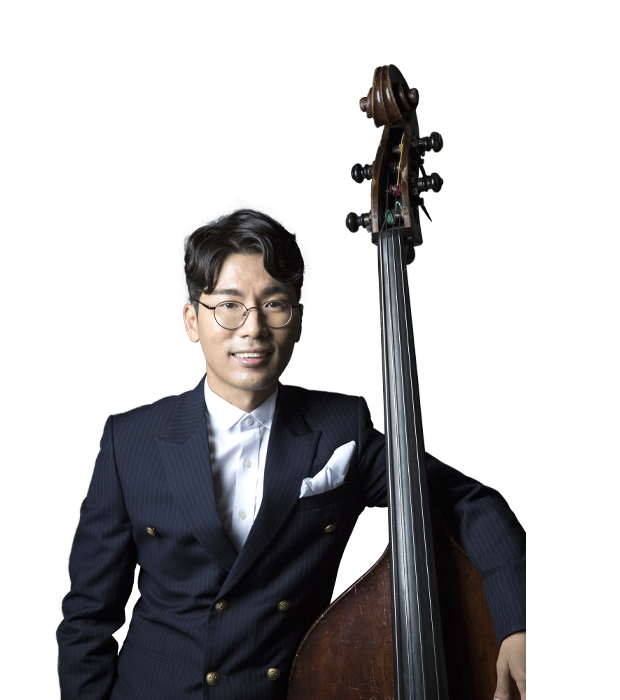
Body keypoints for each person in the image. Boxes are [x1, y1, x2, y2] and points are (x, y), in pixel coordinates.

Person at [56, 209, 526, 700]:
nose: (253, 328)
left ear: (297, 319)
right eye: (229, 305)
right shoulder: (129, 439)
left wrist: (519, 622)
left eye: (274, 304)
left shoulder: (340, 428)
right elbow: (87, 615)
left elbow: (468, 501)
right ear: (191, 321)